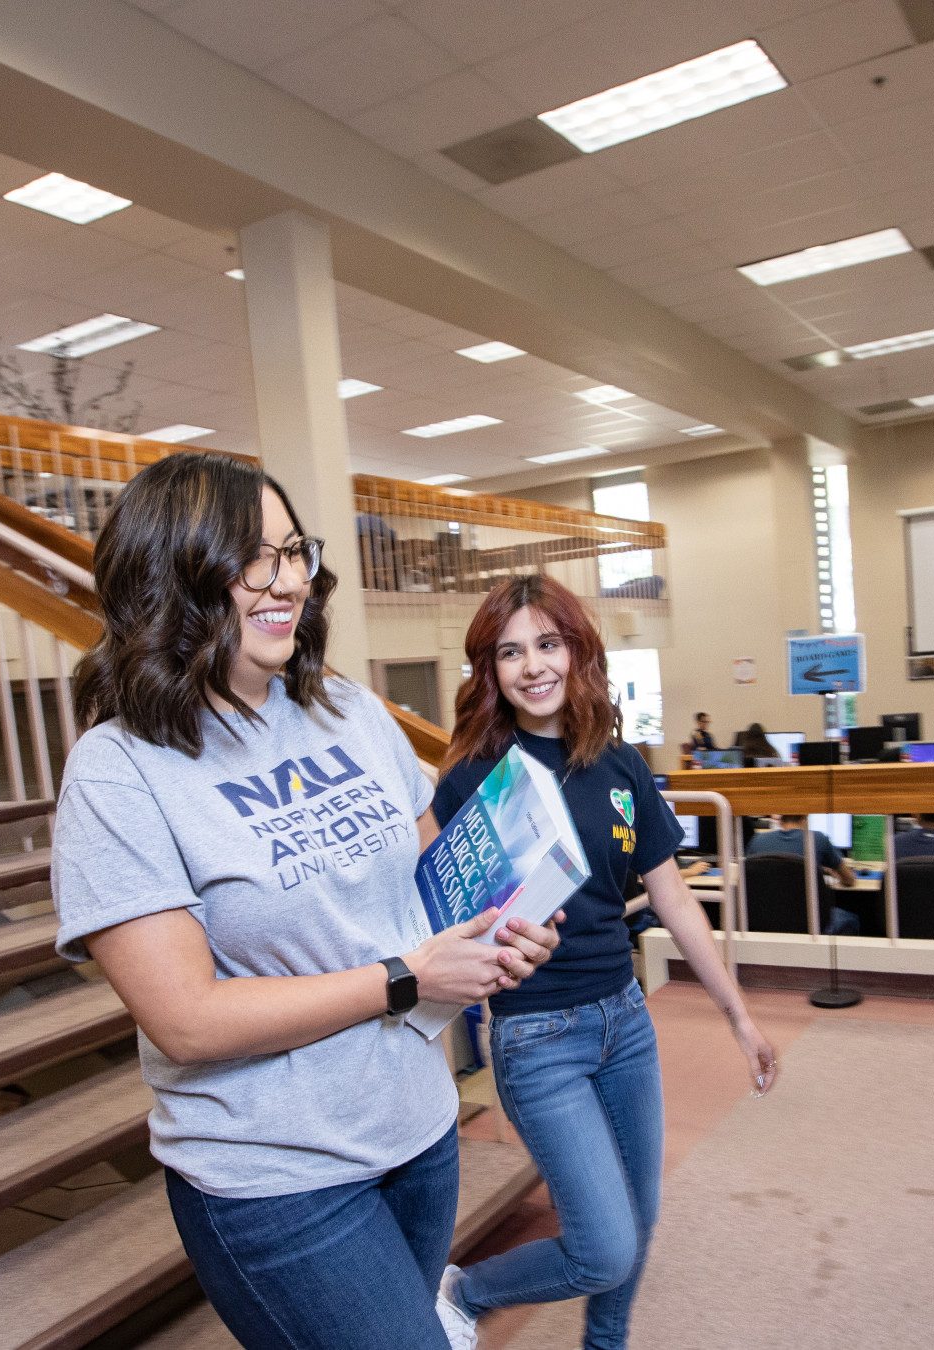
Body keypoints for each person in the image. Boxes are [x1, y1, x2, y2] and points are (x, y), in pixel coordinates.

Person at [51, 453, 565, 1350]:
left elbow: (431, 877)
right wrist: (406, 976)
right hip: (273, 1173)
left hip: (416, 1129)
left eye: (294, 552)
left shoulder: (345, 708)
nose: (288, 578)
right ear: (174, 572)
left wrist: (502, 921)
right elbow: (188, 1021)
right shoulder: (119, 769)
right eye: (255, 557)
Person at [433, 575, 779, 1350]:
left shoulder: (619, 767)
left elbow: (677, 900)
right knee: (602, 1246)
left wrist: (738, 1014)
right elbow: (440, 916)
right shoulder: (472, 780)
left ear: (577, 651)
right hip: (535, 1036)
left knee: (641, 1217)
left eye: (547, 644)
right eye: (510, 652)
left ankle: (605, 1344)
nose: (532, 667)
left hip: (624, 1022)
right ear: (490, 671)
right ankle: (468, 1289)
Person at [746, 814, 861, 934]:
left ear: (780, 819)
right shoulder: (818, 839)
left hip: (765, 922)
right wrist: (832, 871)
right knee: (850, 919)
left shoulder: (757, 841)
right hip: (810, 923)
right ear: (805, 818)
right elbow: (849, 880)